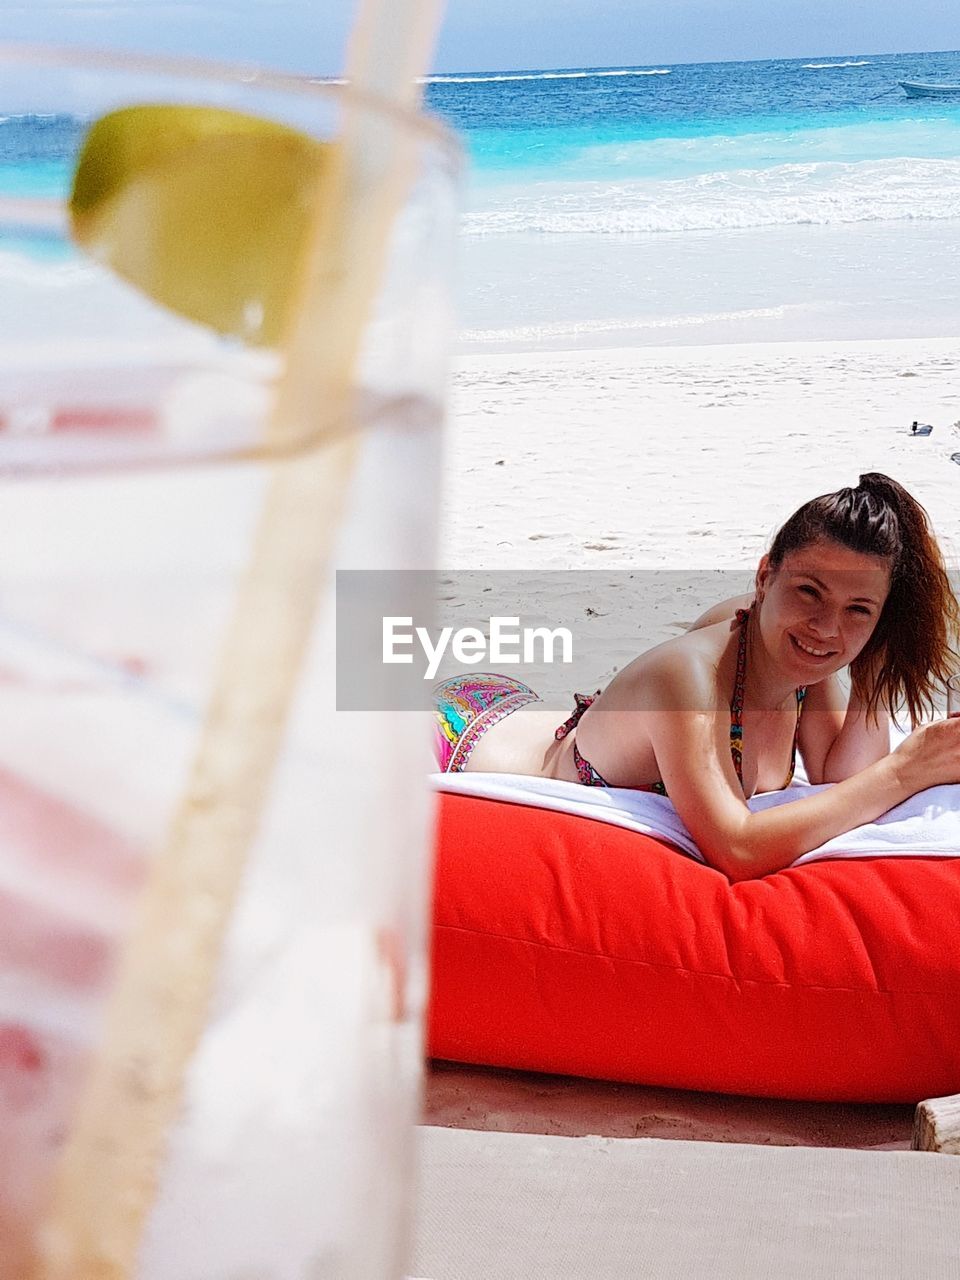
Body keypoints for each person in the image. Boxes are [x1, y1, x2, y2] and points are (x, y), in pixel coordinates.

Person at [434, 473, 960, 881]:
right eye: (809, 592)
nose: (827, 627)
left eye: (859, 609)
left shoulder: (799, 659)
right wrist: (907, 769)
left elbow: (836, 775)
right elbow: (737, 848)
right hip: (462, 732)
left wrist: (874, 667)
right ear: (764, 576)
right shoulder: (689, 676)